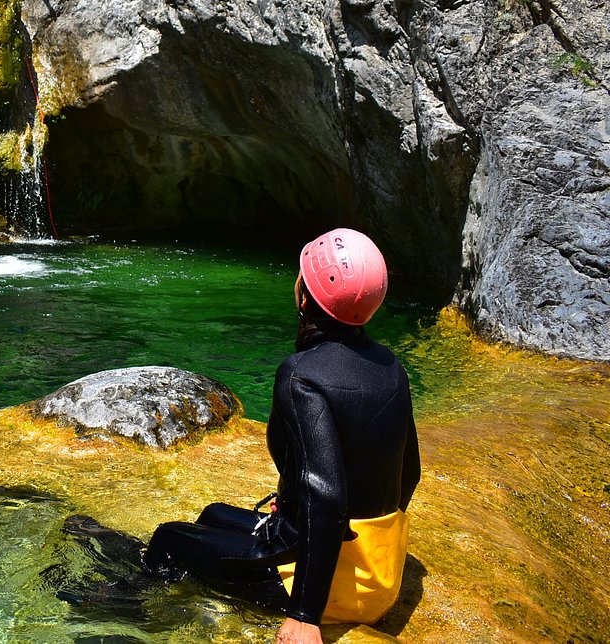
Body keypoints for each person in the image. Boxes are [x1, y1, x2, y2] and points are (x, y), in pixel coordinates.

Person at [141, 228, 421, 644]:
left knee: (167, 538)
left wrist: (305, 615)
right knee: (213, 514)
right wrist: (296, 504)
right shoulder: (390, 368)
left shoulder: (301, 375)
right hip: (378, 571)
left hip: (322, 586)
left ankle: (134, 622)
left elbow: (325, 497)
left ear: (304, 297)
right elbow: (409, 472)